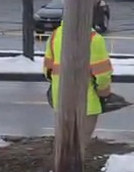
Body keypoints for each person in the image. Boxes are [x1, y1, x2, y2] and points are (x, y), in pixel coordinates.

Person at [43, 21, 114, 152]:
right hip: (87, 103)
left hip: (61, 100)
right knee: (80, 144)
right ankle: (73, 170)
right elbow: (103, 75)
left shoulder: (55, 35)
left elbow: (48, 69)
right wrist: (104, 94)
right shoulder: (94, 39)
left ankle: (60, 168)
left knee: (65, 142)